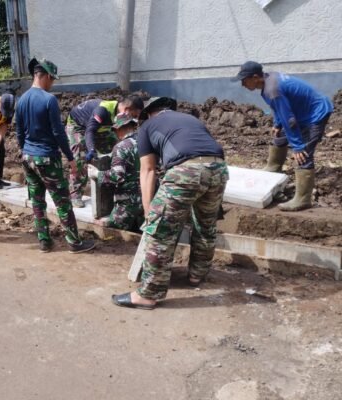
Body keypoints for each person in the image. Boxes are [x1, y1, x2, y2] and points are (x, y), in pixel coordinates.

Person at [112, 97, 229, 310]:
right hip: (219, 169)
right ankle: (197, 275)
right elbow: (208, 150)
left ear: (148, 114)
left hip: (186, 171)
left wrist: (149, 212)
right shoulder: (190, 120)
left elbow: (148, 170)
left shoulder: (147, 127)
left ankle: (148, 294)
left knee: (160, 231)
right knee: (205, 226)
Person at [15, 57, 95, 254]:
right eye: (52, 80)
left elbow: (19, 132)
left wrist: (26, 151)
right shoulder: (49, 100)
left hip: (28, 157)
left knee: (37, 201)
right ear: (46, 76)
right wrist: (70, 158)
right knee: (62, 202)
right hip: (47, 158)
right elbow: (58, 132)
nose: (52, 84)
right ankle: (74, 242)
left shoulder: (21, 100)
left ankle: (44, 240)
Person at [232, 61, 333, 211]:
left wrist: (297, 146)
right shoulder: (269, 80)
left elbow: (289, 120)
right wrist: (277, 123)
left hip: (315, 114)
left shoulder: (272, 90)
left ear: (255, 77)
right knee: (279, 136)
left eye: (244, 80)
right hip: (301, 111)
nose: (242, 85)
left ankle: (303, 199)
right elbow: (281, 107)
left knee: (303, 154)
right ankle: (273, 168)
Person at [66, 95, 145, 207]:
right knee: (80, 158)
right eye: (134, 115)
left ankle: (110, 183)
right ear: (127, 110)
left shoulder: (119, 114)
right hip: (79, 126)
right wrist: (91, 149)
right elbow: (90, 131)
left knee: (117, 149)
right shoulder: (102, 111)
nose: (135, 118)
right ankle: (75, 195)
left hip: (102, 128)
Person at [87, 113, 143, 232]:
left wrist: (96, 174)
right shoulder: (145, 141)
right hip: (149, 198)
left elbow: (117, 175)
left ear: (119, 128)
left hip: (129, 201)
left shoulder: (121, 147)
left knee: (113, 230)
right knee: (141, 229)